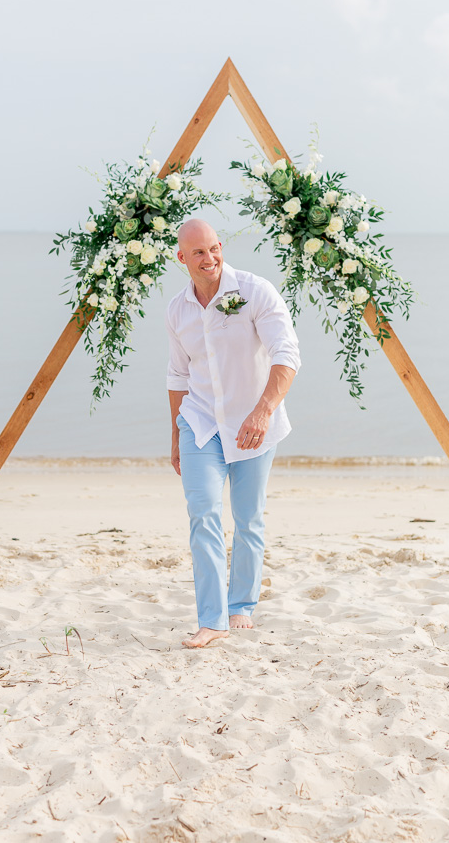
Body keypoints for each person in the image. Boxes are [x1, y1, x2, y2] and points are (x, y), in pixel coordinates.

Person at [166, 218, 301, 649]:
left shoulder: (255, 291)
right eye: (199, 252)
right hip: (200, 422)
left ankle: (241, 603)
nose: (211, 259)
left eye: (215, 248)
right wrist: (175, 437)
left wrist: (262, 411)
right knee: (202, 511)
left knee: (248, 519)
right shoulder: (177, 310)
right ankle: (212, 618)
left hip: (253, 427)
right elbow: (178, 374)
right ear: (181, 257)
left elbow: (287, 354)